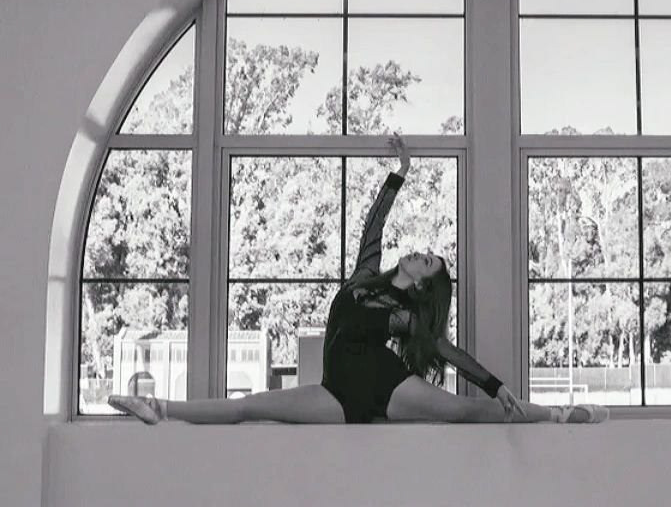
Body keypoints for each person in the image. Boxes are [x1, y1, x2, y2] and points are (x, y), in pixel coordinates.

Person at [108, 133, 609, 425]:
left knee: (465, 412)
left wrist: (495, 384)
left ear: (422, 284)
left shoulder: (405, 314)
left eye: (428, 262)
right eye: (425, 254)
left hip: (385, 385)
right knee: (249, 408)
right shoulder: (365, 275)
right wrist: (401, 172)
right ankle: (157, 408)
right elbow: (374, 225)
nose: (420, 254)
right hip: (335, 392)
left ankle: (559, 415)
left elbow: (446, 350)